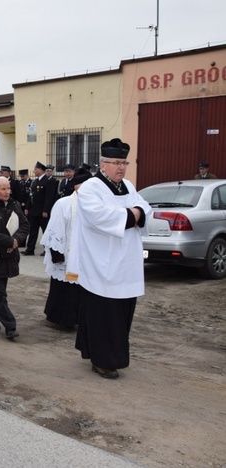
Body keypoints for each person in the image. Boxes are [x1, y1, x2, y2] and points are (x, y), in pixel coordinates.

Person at [68, 139, 151, 379]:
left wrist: (135, 213)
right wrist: (133, 214)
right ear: (102, 164)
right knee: (104, 315)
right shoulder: (91, 187)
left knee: (122, 313)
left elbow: (144, 206)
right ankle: (103, 359)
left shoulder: (127, 185)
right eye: (115, 163)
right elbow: (99, 217)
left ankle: (105, 352)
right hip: (102, 262)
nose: (121, 167)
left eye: (123, 162)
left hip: (127, 263)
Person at [40, 168, 92, 330]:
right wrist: (57, 253)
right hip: (65, 254)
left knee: (80, 290)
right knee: (63, 289)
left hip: (85, 256)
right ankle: (60, 318)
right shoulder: (64, 203)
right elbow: (55, 228)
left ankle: (77, 318)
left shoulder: (93, 205)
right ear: (76, 187)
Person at [0, 176, 30, 339]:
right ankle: (10, 326)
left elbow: (25, 225)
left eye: (8, 188)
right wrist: (8, 240)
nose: (7, 192)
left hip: (10, 257)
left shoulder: (15, 205)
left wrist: (16, 240)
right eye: (3, 189)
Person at [23, 161, 57, 256]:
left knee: (46, 231)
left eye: (35, 169)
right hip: (33, 211)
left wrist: (46, 210)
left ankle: (47, 249)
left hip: (42, 211)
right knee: (32, 230)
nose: (34, 171)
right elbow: (30, 196)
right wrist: (27, 207)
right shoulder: (35, 181)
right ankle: (30, 249)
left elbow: (49, 198)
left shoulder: (48, 181)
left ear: (41, 170)